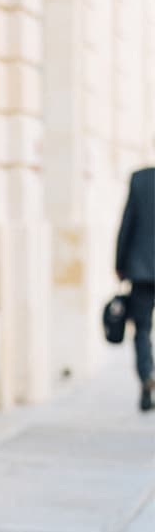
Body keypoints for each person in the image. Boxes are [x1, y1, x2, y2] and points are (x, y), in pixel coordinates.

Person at [116, 166, 155, 411]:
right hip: (140, 271)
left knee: (141, 329)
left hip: (141, 270)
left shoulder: (140, 180)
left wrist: (119, 264)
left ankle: (146, 376)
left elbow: (127, 223)